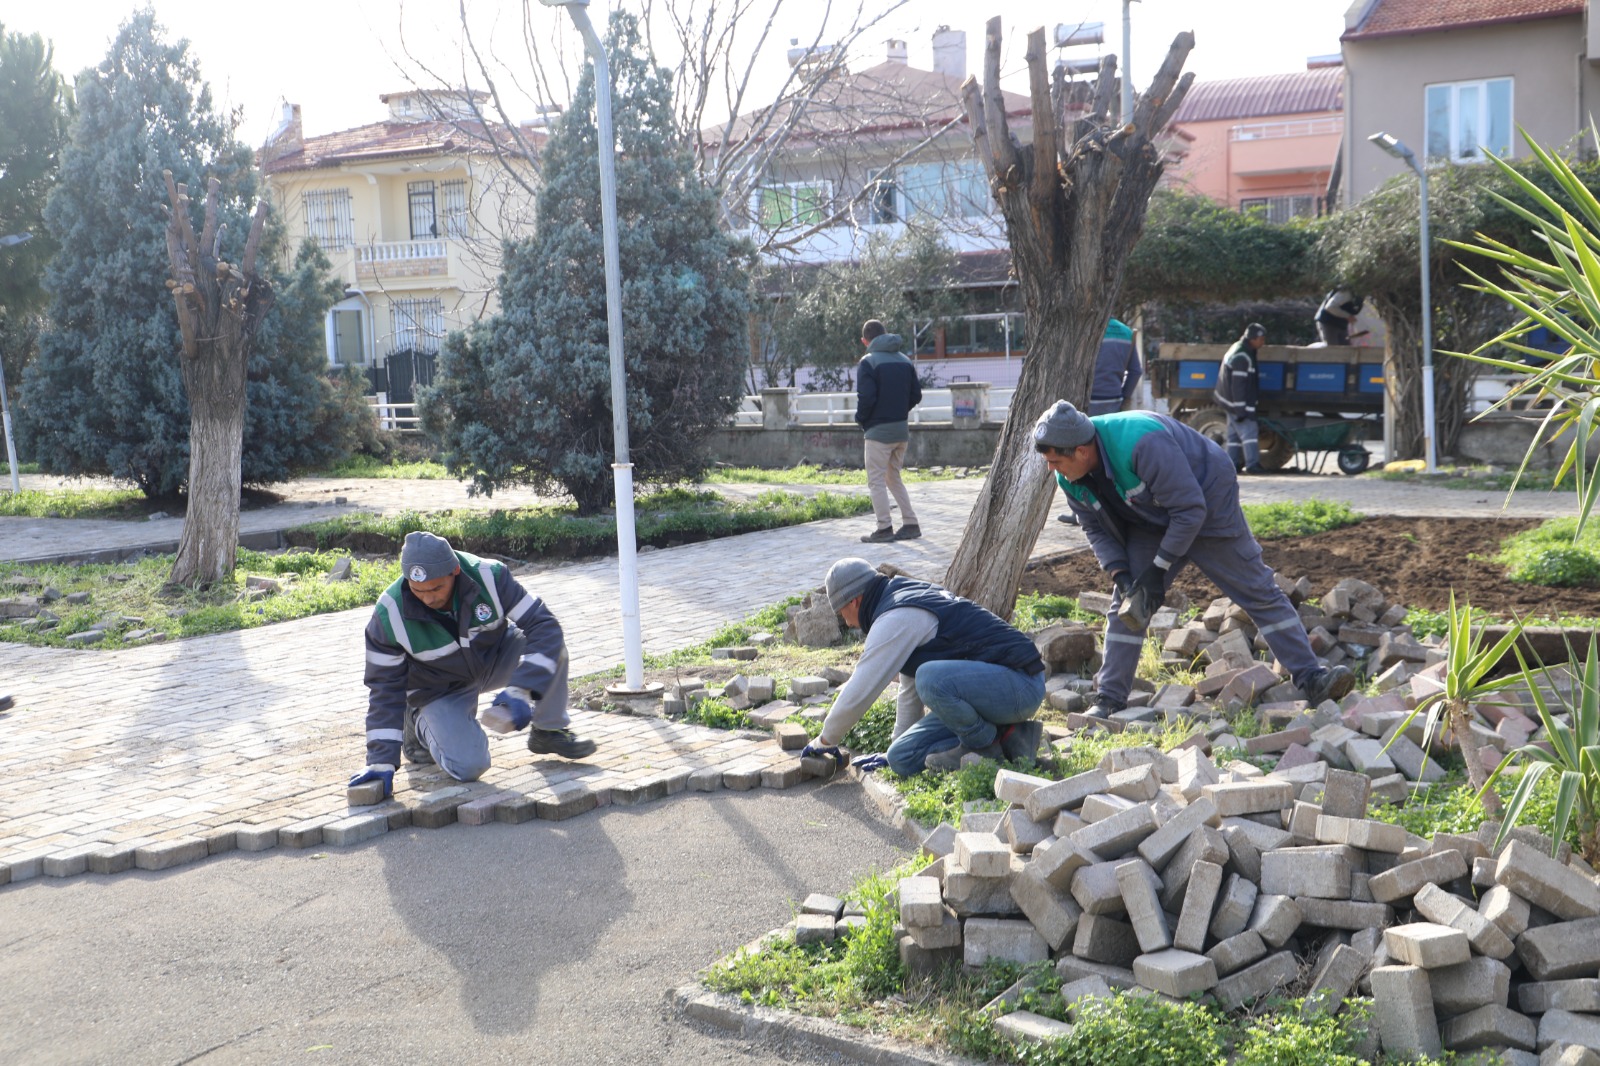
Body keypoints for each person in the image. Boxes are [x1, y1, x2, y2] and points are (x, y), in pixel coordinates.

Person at [1030, 400, 1355, 720]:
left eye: (1055, 461)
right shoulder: (1069, 477)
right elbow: (1095, 530)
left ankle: (1312, 678)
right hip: (1150, 517)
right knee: (1127, 606)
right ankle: (1110, 698)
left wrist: (1158, 568)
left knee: (1258, 590)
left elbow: (1190, 510)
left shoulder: (1142, 442)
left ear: (1082, 451)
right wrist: (1121, 575)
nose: (1051, 469)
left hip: (1208, 505)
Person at [348, 531, 596, 799]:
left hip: (493, 658)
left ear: (454, 571)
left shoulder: (490, 576)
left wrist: (522, 688)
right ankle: (418, 724)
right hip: (438, 687)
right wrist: (380, 760)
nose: (428, 598)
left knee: (552, 648)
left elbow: (543, 624)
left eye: (435, 588)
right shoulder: (388, 615)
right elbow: (384, 690)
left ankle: (549, 730)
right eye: (418, 590)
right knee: (469, 766)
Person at [798, 558, 1046, 777]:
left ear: (854, 601)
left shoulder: (896, 615)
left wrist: (825, 739)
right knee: (901, 758)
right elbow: (909, 685)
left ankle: (984, 745)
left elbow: (861, 688)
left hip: (1020, 685)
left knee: (929, 678)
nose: (846, 622)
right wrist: (893, 747)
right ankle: (1012, 735)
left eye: (841, 613)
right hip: (988, 695)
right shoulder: (896, 600)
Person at [1062, 318, 1146, 525]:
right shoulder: (1126, 332)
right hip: (1112, 403)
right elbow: (1136, 371)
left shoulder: (1086, 327)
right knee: (1107, 457)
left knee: (1077, 457)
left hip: (1085, 402)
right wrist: (1123, 396)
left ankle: (1082, 511)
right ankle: (1115, 507)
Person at [854, 319, 922, 543]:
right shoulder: (905, 360)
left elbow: (867, 398)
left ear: (865, 341)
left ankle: (884, 528)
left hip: (878, 433)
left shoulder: (868, 362)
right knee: (893, 478)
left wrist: (862, 420)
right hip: (901, 431)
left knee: (876, 480)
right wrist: (898, 412)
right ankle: (910, 523)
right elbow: (916, 396)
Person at [1215, 322, 1266, 474]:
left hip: (1228, 402)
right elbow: (1238, 386)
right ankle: (1252, 465)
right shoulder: (1242, 357)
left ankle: (1233, 465)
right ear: (1253, 339)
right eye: (1262, 339)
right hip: (1236, 403)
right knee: (1249, 433)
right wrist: (1241, 410)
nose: (1263, 342)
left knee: (1234, 437)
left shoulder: (1239, 348)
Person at [1087, 318, 1144, 416]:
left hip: (1088, 401)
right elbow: (1136, 371)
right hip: (1115, 400)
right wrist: (1125, 397)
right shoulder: (1127, 332)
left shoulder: (1087, 329)